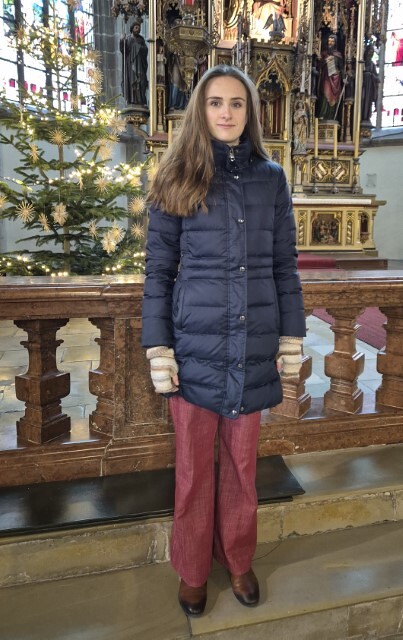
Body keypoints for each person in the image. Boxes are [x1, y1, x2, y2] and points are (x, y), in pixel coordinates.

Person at [142, 64, 305, 617]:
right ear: (200, 109)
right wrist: (159, 348)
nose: (227, 112)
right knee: (192, 470)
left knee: (241, 465)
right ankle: (192, 569)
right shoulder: (175, 175)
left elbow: (284, 266)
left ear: (251, 111)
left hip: (253, 342)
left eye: (237, 103)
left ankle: (237, 558)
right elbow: (158, 272)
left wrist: (291, 337)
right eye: (216, 102)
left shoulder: (271, 178)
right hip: (194, 347)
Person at [120, 19, 148, 106]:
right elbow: (123, 50)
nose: (138, 29)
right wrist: (122, 40)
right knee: (132, 81)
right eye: (136, 27)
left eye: (139, 28)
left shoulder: (141, 39)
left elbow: (145, 50)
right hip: (130, 65)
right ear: (132, 28)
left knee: (141, 81)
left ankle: (140, 100)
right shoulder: (128, 39)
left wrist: (138, 47)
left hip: (140, 64)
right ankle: (131, 100)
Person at [317, 34, 344, 120]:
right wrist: (325, 61)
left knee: (334, 97)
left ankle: (331, 117)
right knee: (325, 94)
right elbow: (318, 66)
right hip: (326, 77)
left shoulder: (338, 55)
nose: (330, 43)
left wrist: (344, 78)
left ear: (335, 43)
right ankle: (323, 114)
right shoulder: (324, 54)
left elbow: (341, 67)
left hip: (336, 78)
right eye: (329, 41)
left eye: (332, 41)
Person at [361, 45, 379, 124]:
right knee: (362, 99)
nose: (370, 54)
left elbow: (377, 77)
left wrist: (371, 75)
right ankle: (361, 116)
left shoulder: (372, 65)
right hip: (361, 85)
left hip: (369, 87)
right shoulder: (362, 63)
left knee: (367, 102)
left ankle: (366, 117)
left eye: (372, 52)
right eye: (369, 52)